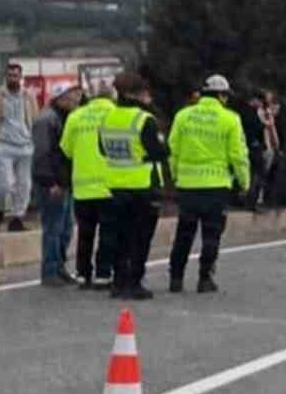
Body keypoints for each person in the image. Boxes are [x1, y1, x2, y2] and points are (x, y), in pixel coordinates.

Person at [166, 74, 251, 294]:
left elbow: (172, 150)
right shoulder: (230, 119)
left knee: (184, 233)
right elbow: (238, 155)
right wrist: (244, 182)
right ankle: (205, 279)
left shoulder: (183, 116)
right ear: (222, 96)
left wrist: (174, 177)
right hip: (216, 186)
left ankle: (176, 278)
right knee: (211, 234)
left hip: (187, 185)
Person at [98, 71, 169, 300]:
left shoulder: (107, 118)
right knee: (140, 238)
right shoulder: (144, 120)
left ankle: (118, 282)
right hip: (142, 186)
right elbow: (160, 151)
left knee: (119, 236)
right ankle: (134, 281)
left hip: (115, 185)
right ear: (136, 94)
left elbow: (102, 149)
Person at [61, 83, 116, 290]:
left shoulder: (76, 116)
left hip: (82, 187)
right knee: (108, 233)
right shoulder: (116, 114)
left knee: (85, 233)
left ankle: (83, 274)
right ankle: (103, 274)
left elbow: (66, 149)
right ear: (111, 96)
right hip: (109, 186)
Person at [32, 82, 81, 287]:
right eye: (71, 94)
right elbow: (43, 154)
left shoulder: (65, 117)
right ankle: (50, 271)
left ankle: (60, 267)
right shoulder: (47, 120)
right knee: (53, 227)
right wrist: (51, 181)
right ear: (61, 97)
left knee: (66, 227)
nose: (76, 98)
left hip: (64, 181)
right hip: (50, 183)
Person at [0, 62, 38, 232]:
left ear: (21, 78)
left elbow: (35, 120)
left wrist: (35, 140)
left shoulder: (28, 96)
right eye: (10, 75)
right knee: (4, 185)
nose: (12, 78)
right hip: (4, 146)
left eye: (16, 75)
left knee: (25, 185)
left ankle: (17, 218)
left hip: (26, 147)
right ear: (5, 77)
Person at [239, 92, 268, 212]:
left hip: (249, 147)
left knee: (252, 175)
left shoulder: (247, 112)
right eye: (260, 102)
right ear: (255, 100)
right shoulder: (249, 112)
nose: (261, 105)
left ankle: (248, 200)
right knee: (257, 175)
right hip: (253, 148)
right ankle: (251, 202)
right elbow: (256, 128)